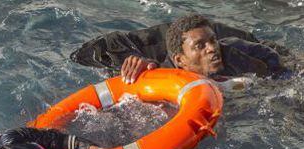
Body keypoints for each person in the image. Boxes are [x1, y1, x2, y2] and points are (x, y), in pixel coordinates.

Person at [71, 14, 290, 82]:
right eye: (202, 46)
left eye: (211, 42)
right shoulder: (156, 54)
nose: (211, 49)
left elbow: (275, 60)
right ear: (179, 60)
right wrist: (136, 60)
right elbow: (84, 53)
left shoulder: (228, 46)